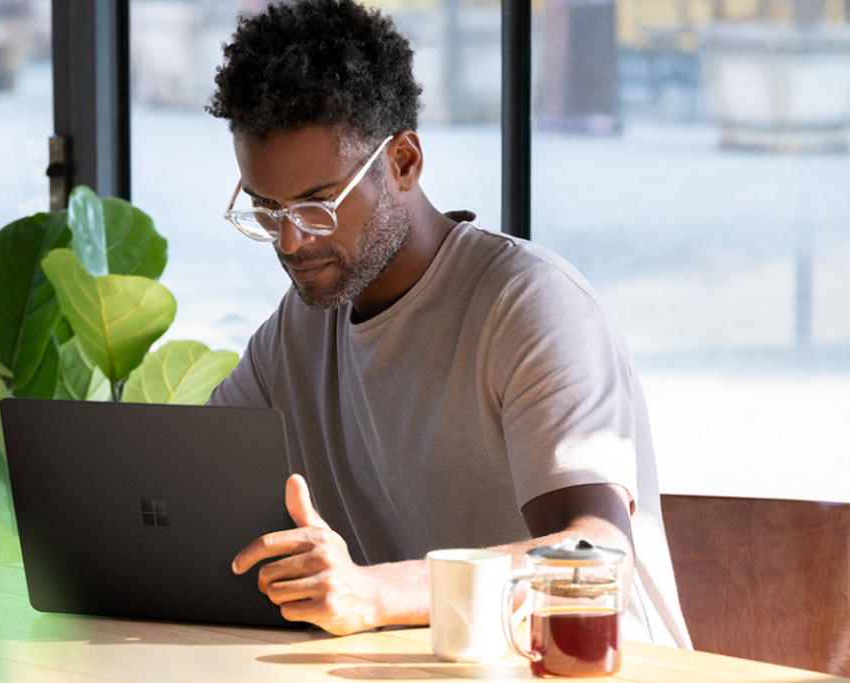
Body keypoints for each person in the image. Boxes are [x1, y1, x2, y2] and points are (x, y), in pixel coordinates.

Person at [205, 0, 691, 648]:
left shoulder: (529, 306)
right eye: (266, 209)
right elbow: (191, 494)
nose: (290, 242)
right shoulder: (297, 331)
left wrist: (373, 591)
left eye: (318, 205)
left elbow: (596, 556)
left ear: (404, 162)